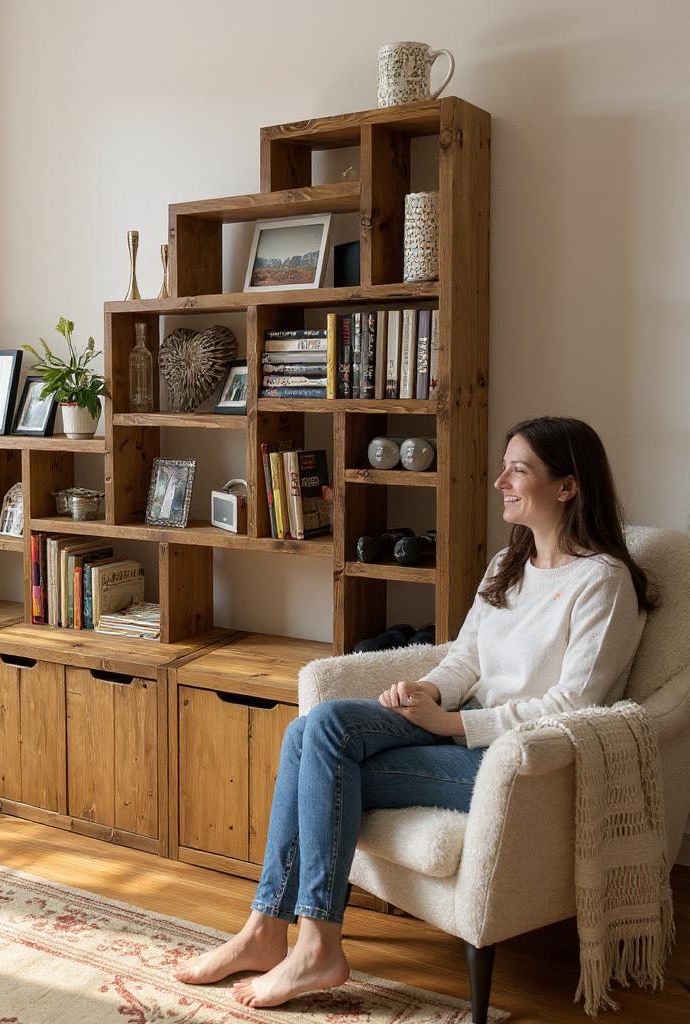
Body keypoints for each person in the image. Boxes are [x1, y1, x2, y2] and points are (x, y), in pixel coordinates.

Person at [174, 415, 654, 1008]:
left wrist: (454, 723)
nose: (500, 480)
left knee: (315, 754)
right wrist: (426, 690)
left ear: (567, 486)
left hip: (516, 763)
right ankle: (268, 931)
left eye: (518, 470)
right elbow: (466, 656)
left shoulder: (602, 583)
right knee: (313, 732)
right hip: (460, 734)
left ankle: (305, 943)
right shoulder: (510, 565)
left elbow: (573, 707)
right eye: (503, 466)